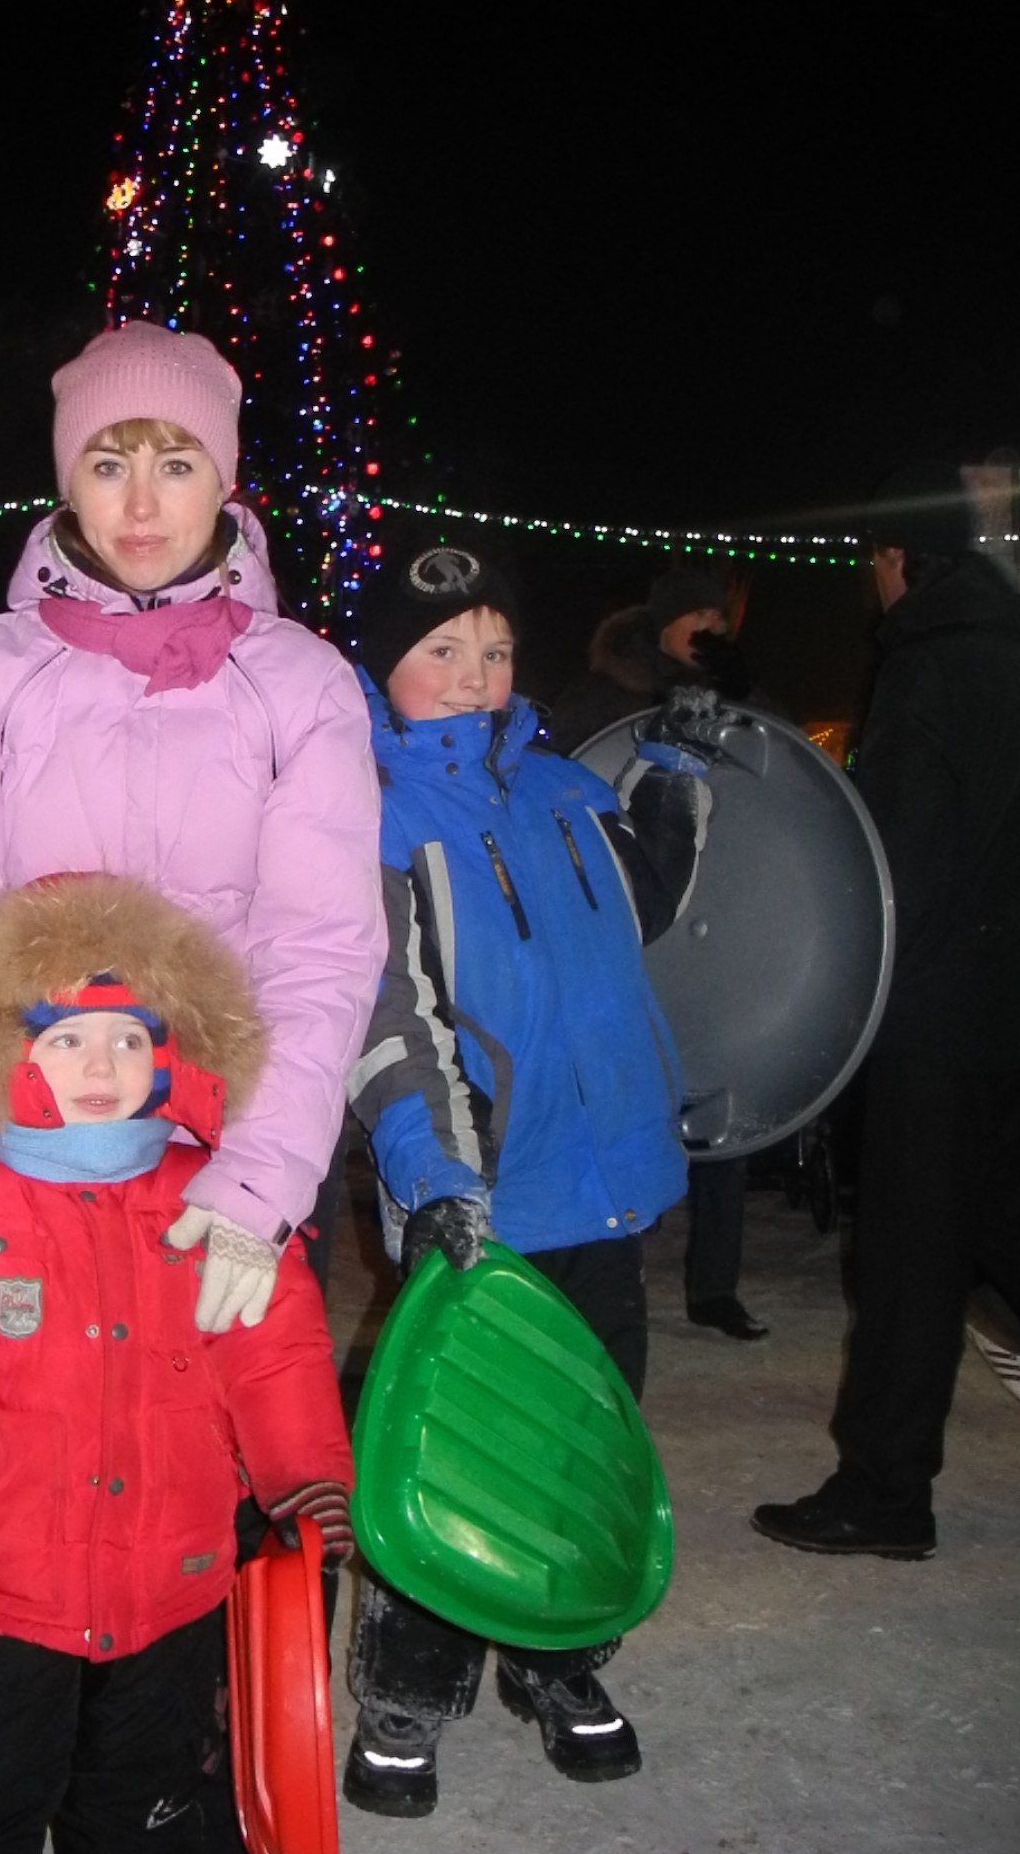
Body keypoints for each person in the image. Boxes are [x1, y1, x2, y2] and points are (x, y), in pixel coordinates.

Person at [0, 871, 354, 1852]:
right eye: (66, 1039)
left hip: (173, 1584)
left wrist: (303, 1478)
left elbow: (273, 1353)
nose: (102, 1064)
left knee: (151, 1812)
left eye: (129, 1038)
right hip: (0, 1587)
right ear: (5, 1050)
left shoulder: (214, 1204)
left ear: (170, 1053)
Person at [0, 319, 385, 1335]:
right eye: (108, 464)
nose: (141, 506)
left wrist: (260, 1178)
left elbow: (320, 949)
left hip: (216, 1155)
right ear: (69, 480)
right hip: (27, 1150)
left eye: (176, 463)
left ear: (224, 478)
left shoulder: (301, 682)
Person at [339, 539, 718, 1818]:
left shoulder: (567, 786)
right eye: (442, 650)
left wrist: (677, 774)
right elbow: (390, 1015)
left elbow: (643, 907)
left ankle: (560, 1654)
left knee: (583, 1437)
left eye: (494, 649)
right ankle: (411, 1686)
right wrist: (438, 1171)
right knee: (454, 1447)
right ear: (383, 669)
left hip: (603, 1182)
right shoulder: (374, 815)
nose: (474, 673)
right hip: (484, 1196)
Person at [752, 459, 1020, 1560]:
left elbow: (893, 865)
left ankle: (884, 1489)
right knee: (998, 1223)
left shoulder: (926, 664)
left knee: (912, 1258)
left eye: (874, 558)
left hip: (937, 1017)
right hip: (1007, 1004)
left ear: (901, 556)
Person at [548, 562, 769, 1343]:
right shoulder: (607, 695)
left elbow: (775, 781)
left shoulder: (737, 694)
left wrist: (744, 693)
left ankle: (716, 1286)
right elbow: (570, 779)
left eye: (720, 618)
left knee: (719, 1106)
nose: (709, 628)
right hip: (628, 930)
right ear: (661, 624)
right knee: (621, 1103)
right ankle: (615, 1269)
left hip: (710, 926)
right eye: (695, 615)